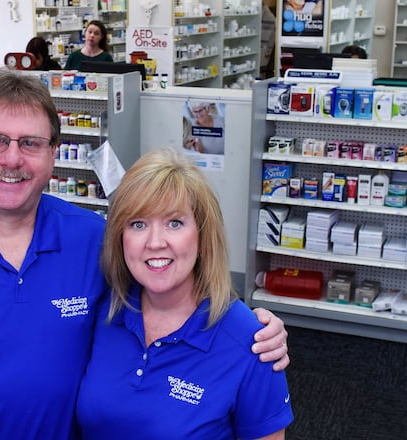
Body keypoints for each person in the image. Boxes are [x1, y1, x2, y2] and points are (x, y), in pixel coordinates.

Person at [0, 69, 290, 439]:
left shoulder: (95, 242)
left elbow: (172, 282)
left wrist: (254, 329)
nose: (12, 158)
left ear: (53, 155)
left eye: (31, 143)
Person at [77, 148, 294, 438]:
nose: (155, 242)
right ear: (121, 237)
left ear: (203, 235)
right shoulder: (105, 310)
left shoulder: (253, 342)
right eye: (138, 224)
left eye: (174, 223)